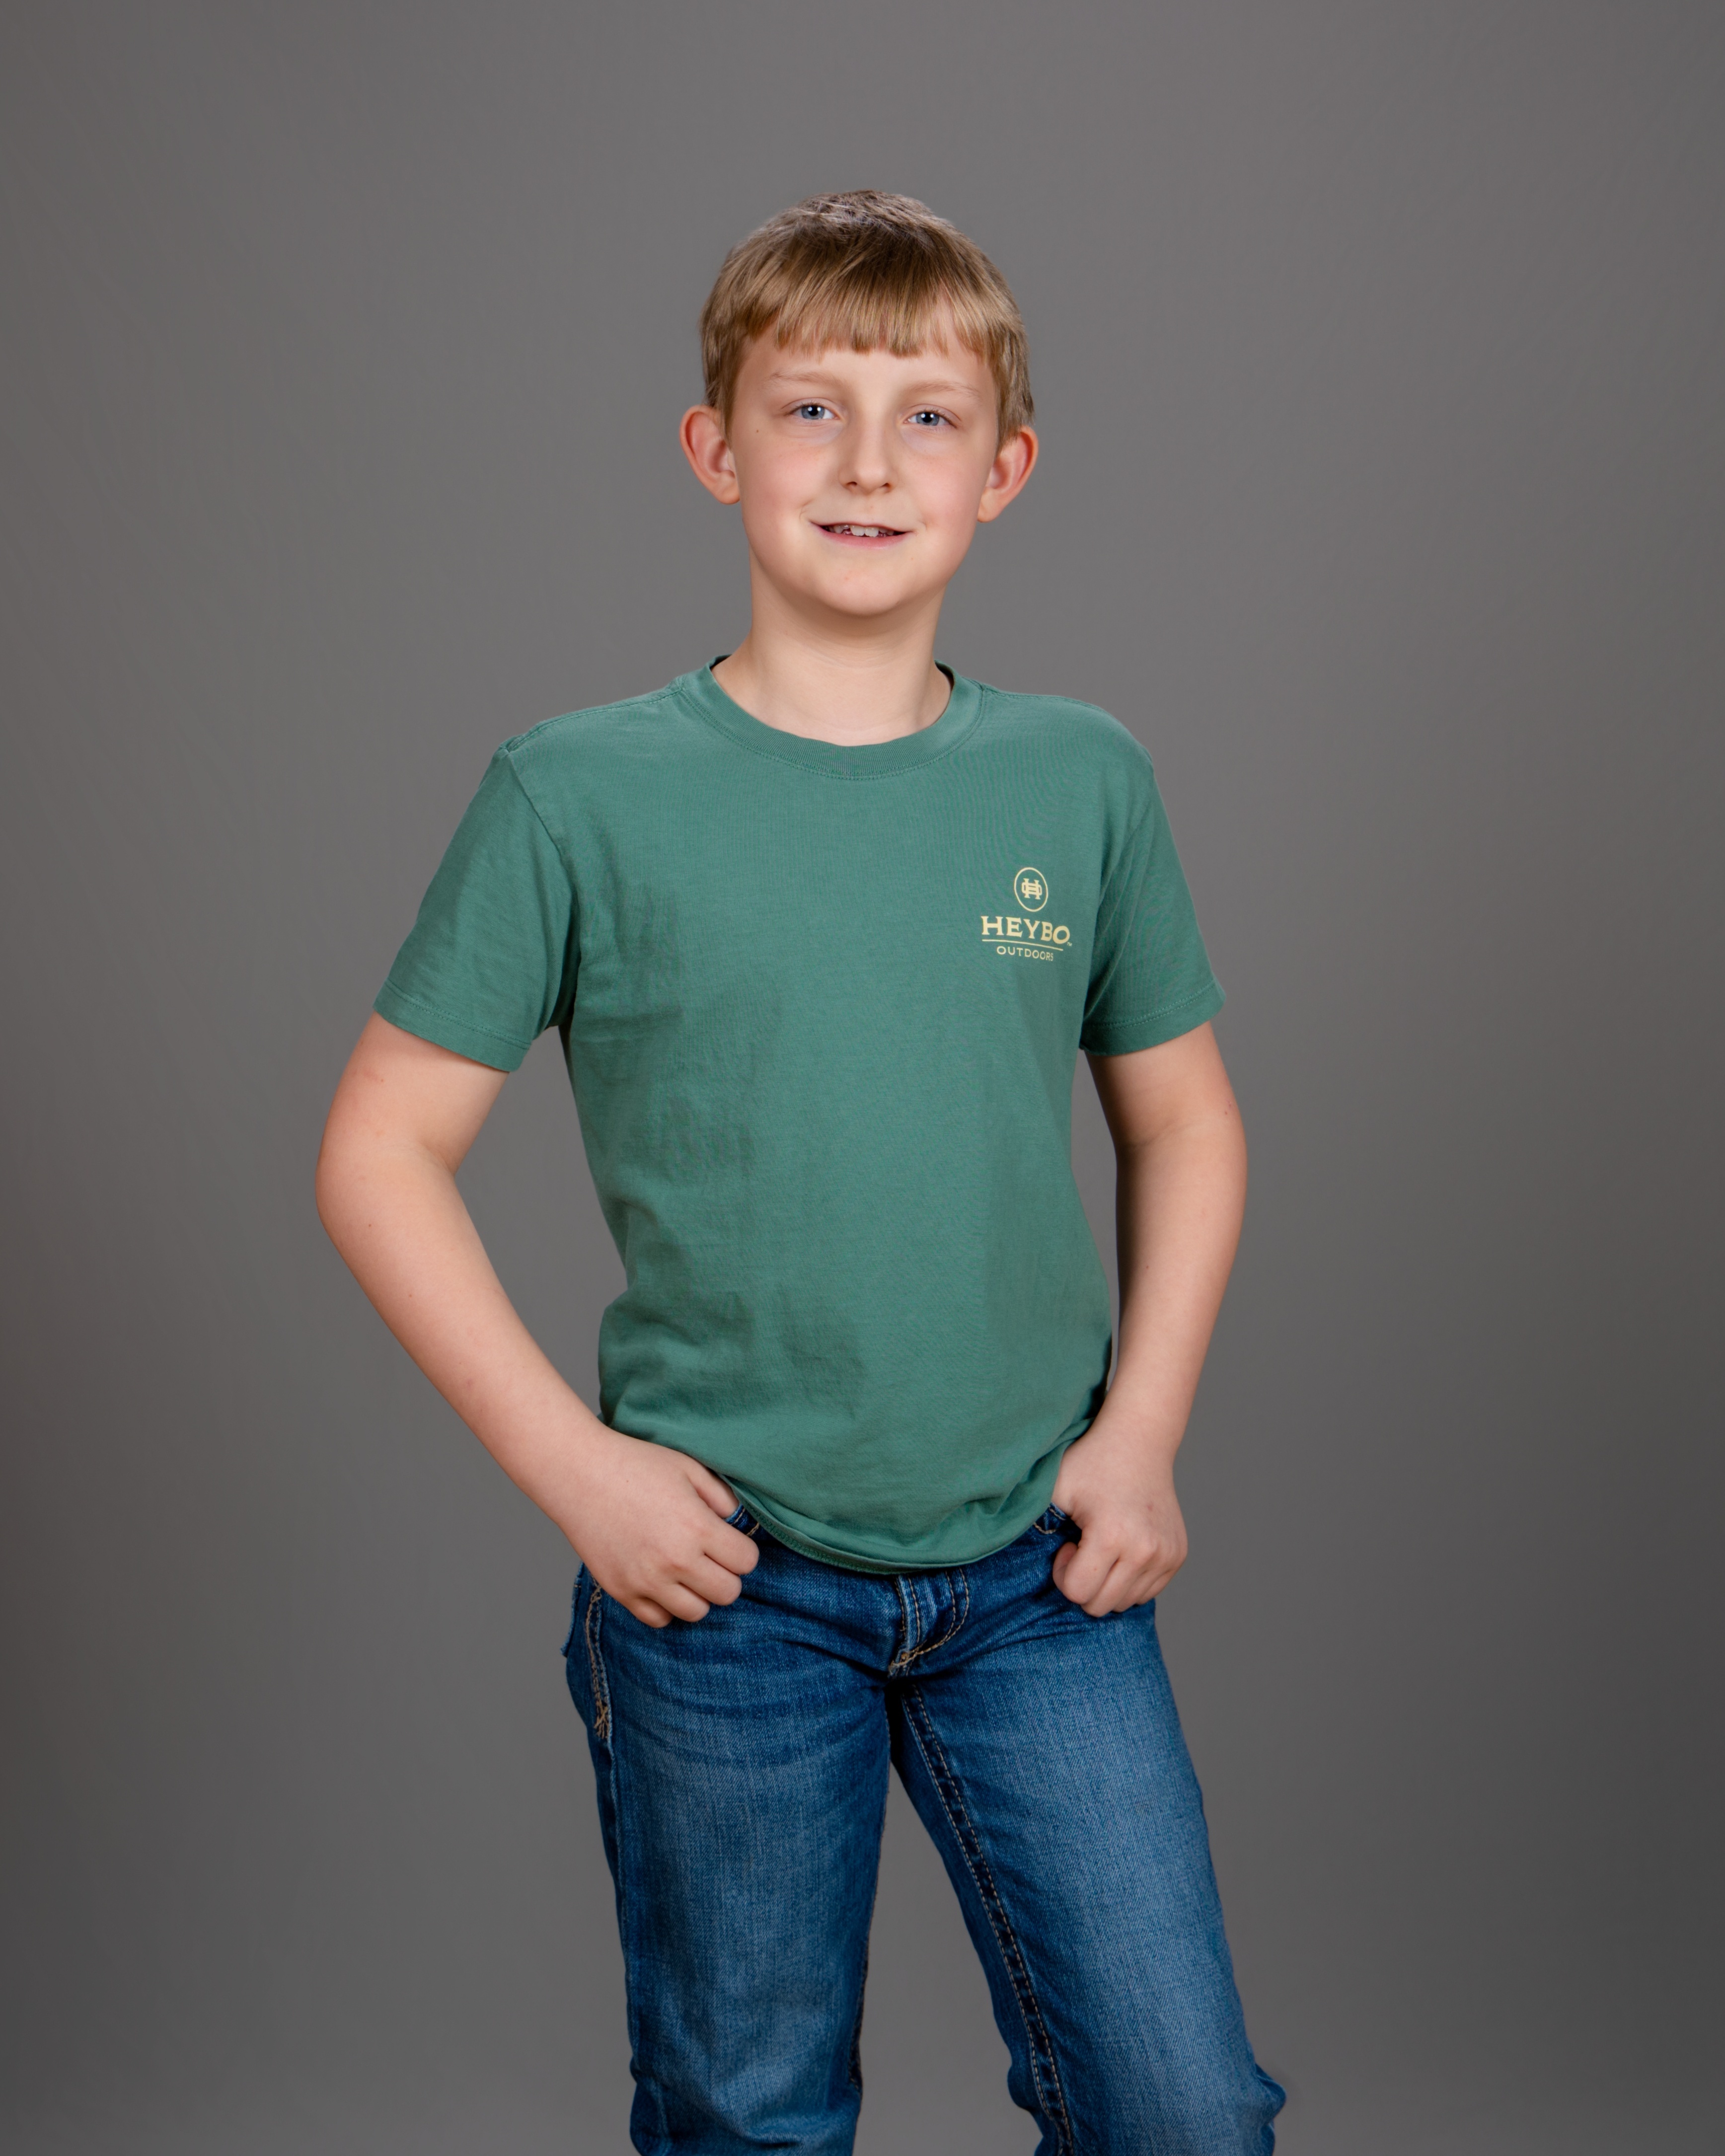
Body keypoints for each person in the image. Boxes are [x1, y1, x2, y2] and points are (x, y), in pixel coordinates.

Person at [316, 190, 1285, 2156]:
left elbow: (1183, 1119)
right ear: (714, 448)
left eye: (927, 417)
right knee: (748, 2121)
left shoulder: (1080, 778)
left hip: (1039, 1567)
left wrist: (1145, 1433)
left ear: (1004, 470)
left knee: (1180, 2113)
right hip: (729, 1585)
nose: (865, 463)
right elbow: (378, 1151)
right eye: (808, 409)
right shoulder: (575, 793)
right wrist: (575, 1470)